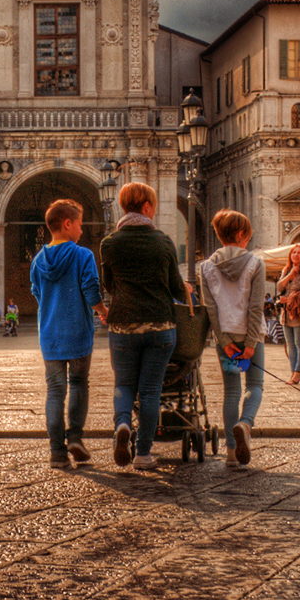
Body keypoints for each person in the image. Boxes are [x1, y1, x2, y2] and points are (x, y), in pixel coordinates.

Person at [98, 181, 188, 471]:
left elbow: (109, 286)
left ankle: (123, 425)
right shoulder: (163, 241)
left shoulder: (109, 243)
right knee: (150, 391)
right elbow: (176, 288)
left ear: (124, 206)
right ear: (147, 207)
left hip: (123, 325)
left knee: (124, 385)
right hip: (160, 326)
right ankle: (143, 453)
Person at [30, 198, 102, 468]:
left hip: (49, 334)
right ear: (68, 224)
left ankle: (57, 452)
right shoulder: (83, 255)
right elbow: (91, 289)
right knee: (80, 384)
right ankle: (75, 437)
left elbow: (36, 293)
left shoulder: (38, 260)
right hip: (78, 332)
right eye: (80, 225)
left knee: (55, 391)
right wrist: (102, 310)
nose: (82, 230)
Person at [200, 209, 265, 468]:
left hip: (224, 338)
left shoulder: (205, 267)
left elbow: (211, 309)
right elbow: (256, 306)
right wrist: (250, 342)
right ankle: (245, 423)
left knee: (231, 392)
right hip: (251, 335)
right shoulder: (255, 263)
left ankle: (230, 452)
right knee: (255, 386)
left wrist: (224, 339)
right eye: (248, 235)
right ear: (240, 234)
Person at [276, 244, 300, 385]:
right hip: (286, 313)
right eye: (294, 252)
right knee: (290, 344)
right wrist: (290, 275)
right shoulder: (286, 270)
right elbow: (279, 287)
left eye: (299, 253)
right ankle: (293, 371)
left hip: (299, 312)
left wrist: (289, 298)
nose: (296, 255)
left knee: (299, 343)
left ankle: (299, 371)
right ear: (290, 255)